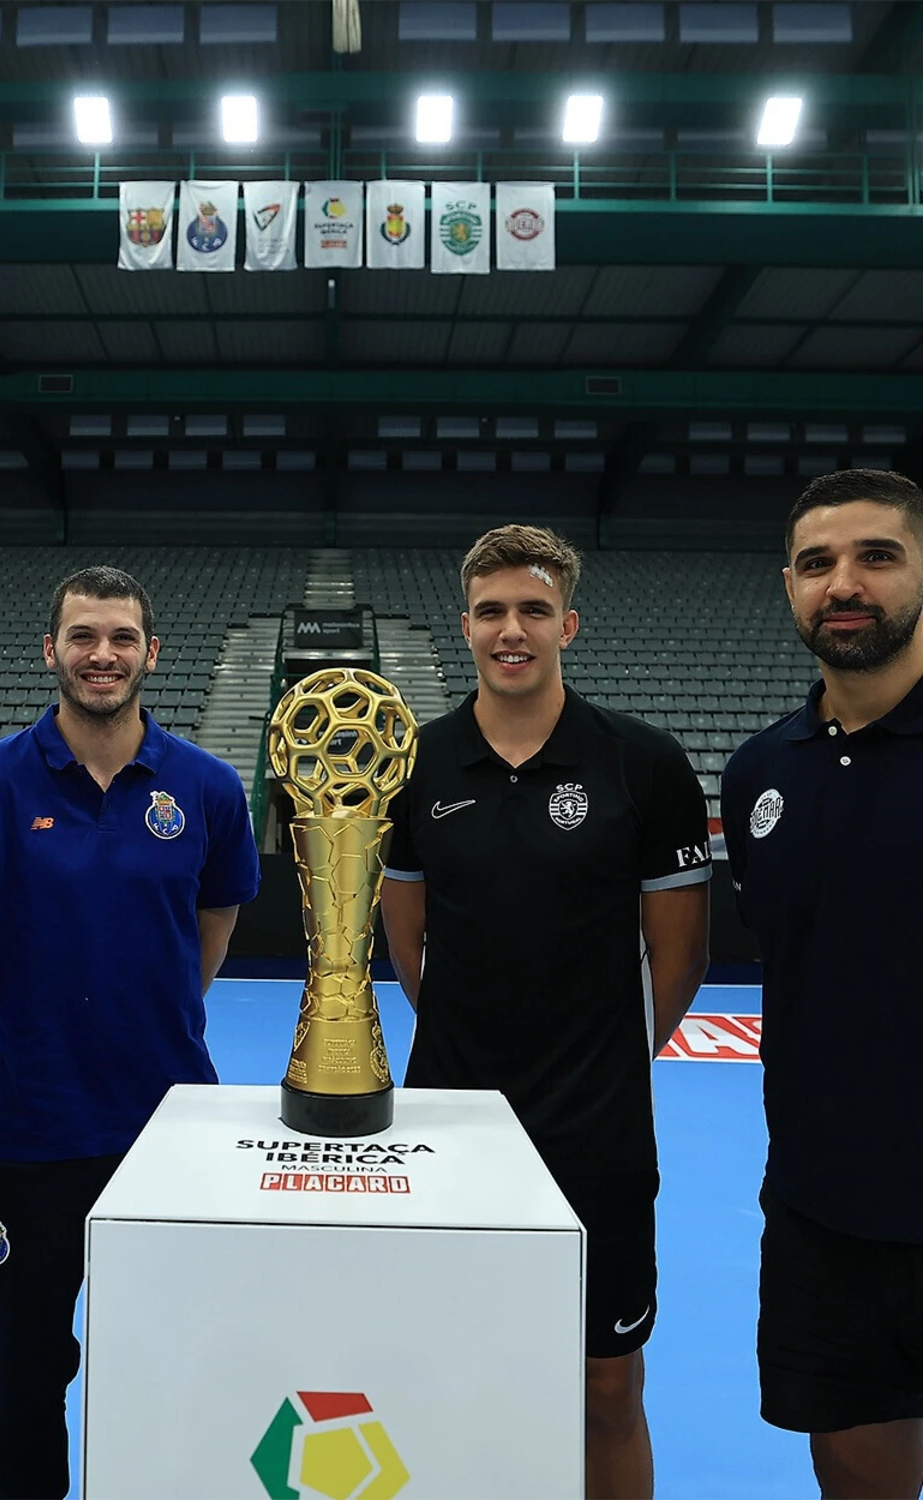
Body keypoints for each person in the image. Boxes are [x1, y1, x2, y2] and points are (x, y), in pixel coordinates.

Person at [380, 524, 711, 1500]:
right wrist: (471, 1040)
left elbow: (681, 958)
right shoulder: (418, 761)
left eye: (533, 610)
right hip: (453, 1126)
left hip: (599, 1132)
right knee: (448, 1371)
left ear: (568, 624)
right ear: (466, 627)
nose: (511, 630)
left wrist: (604, 1057)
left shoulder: (643, 763)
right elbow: (407, 943)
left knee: (607, 1388)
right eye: (491, 612)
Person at [0, 565, 261, 1500]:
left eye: (121, 638)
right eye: (83, 636)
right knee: (21, 1380)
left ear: (152, 652)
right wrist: (18, 1041)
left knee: (173, 1368)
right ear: (52, 651)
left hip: (168, 1134)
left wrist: (152, 1016)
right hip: (29, 1134)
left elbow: (211, 929)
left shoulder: (208, 788)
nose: (102, 654)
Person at [721, 469, 923, 1500]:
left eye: (877, 556)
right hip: (821, 1211)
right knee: (855, 1476)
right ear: (790, 587)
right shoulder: (761, 772)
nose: (844, 584)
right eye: (817, 564)